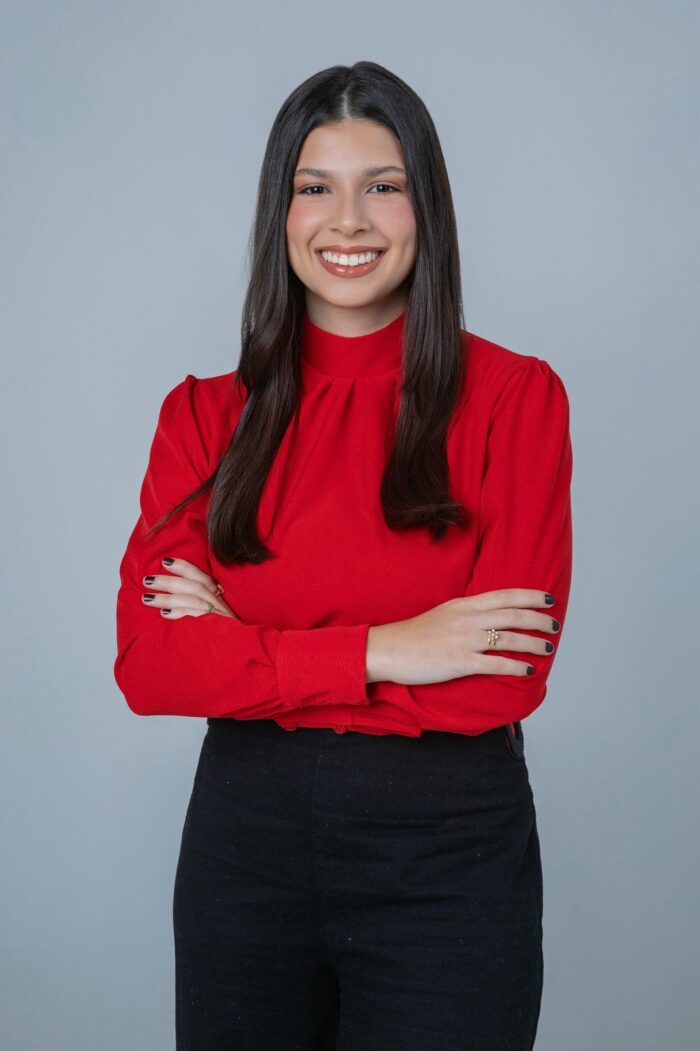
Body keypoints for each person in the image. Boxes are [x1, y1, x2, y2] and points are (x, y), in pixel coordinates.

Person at [114, 60, 573, 1051]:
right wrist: (391, 647)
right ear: (280, 213)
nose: (348, 220)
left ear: (425, 207)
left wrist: (248, 648)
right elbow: (152, 666)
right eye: (315, 186)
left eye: (384, 185)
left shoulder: (514, 399)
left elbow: (501, 678)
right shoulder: (202, 418)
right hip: (244, 850)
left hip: (447, 854)